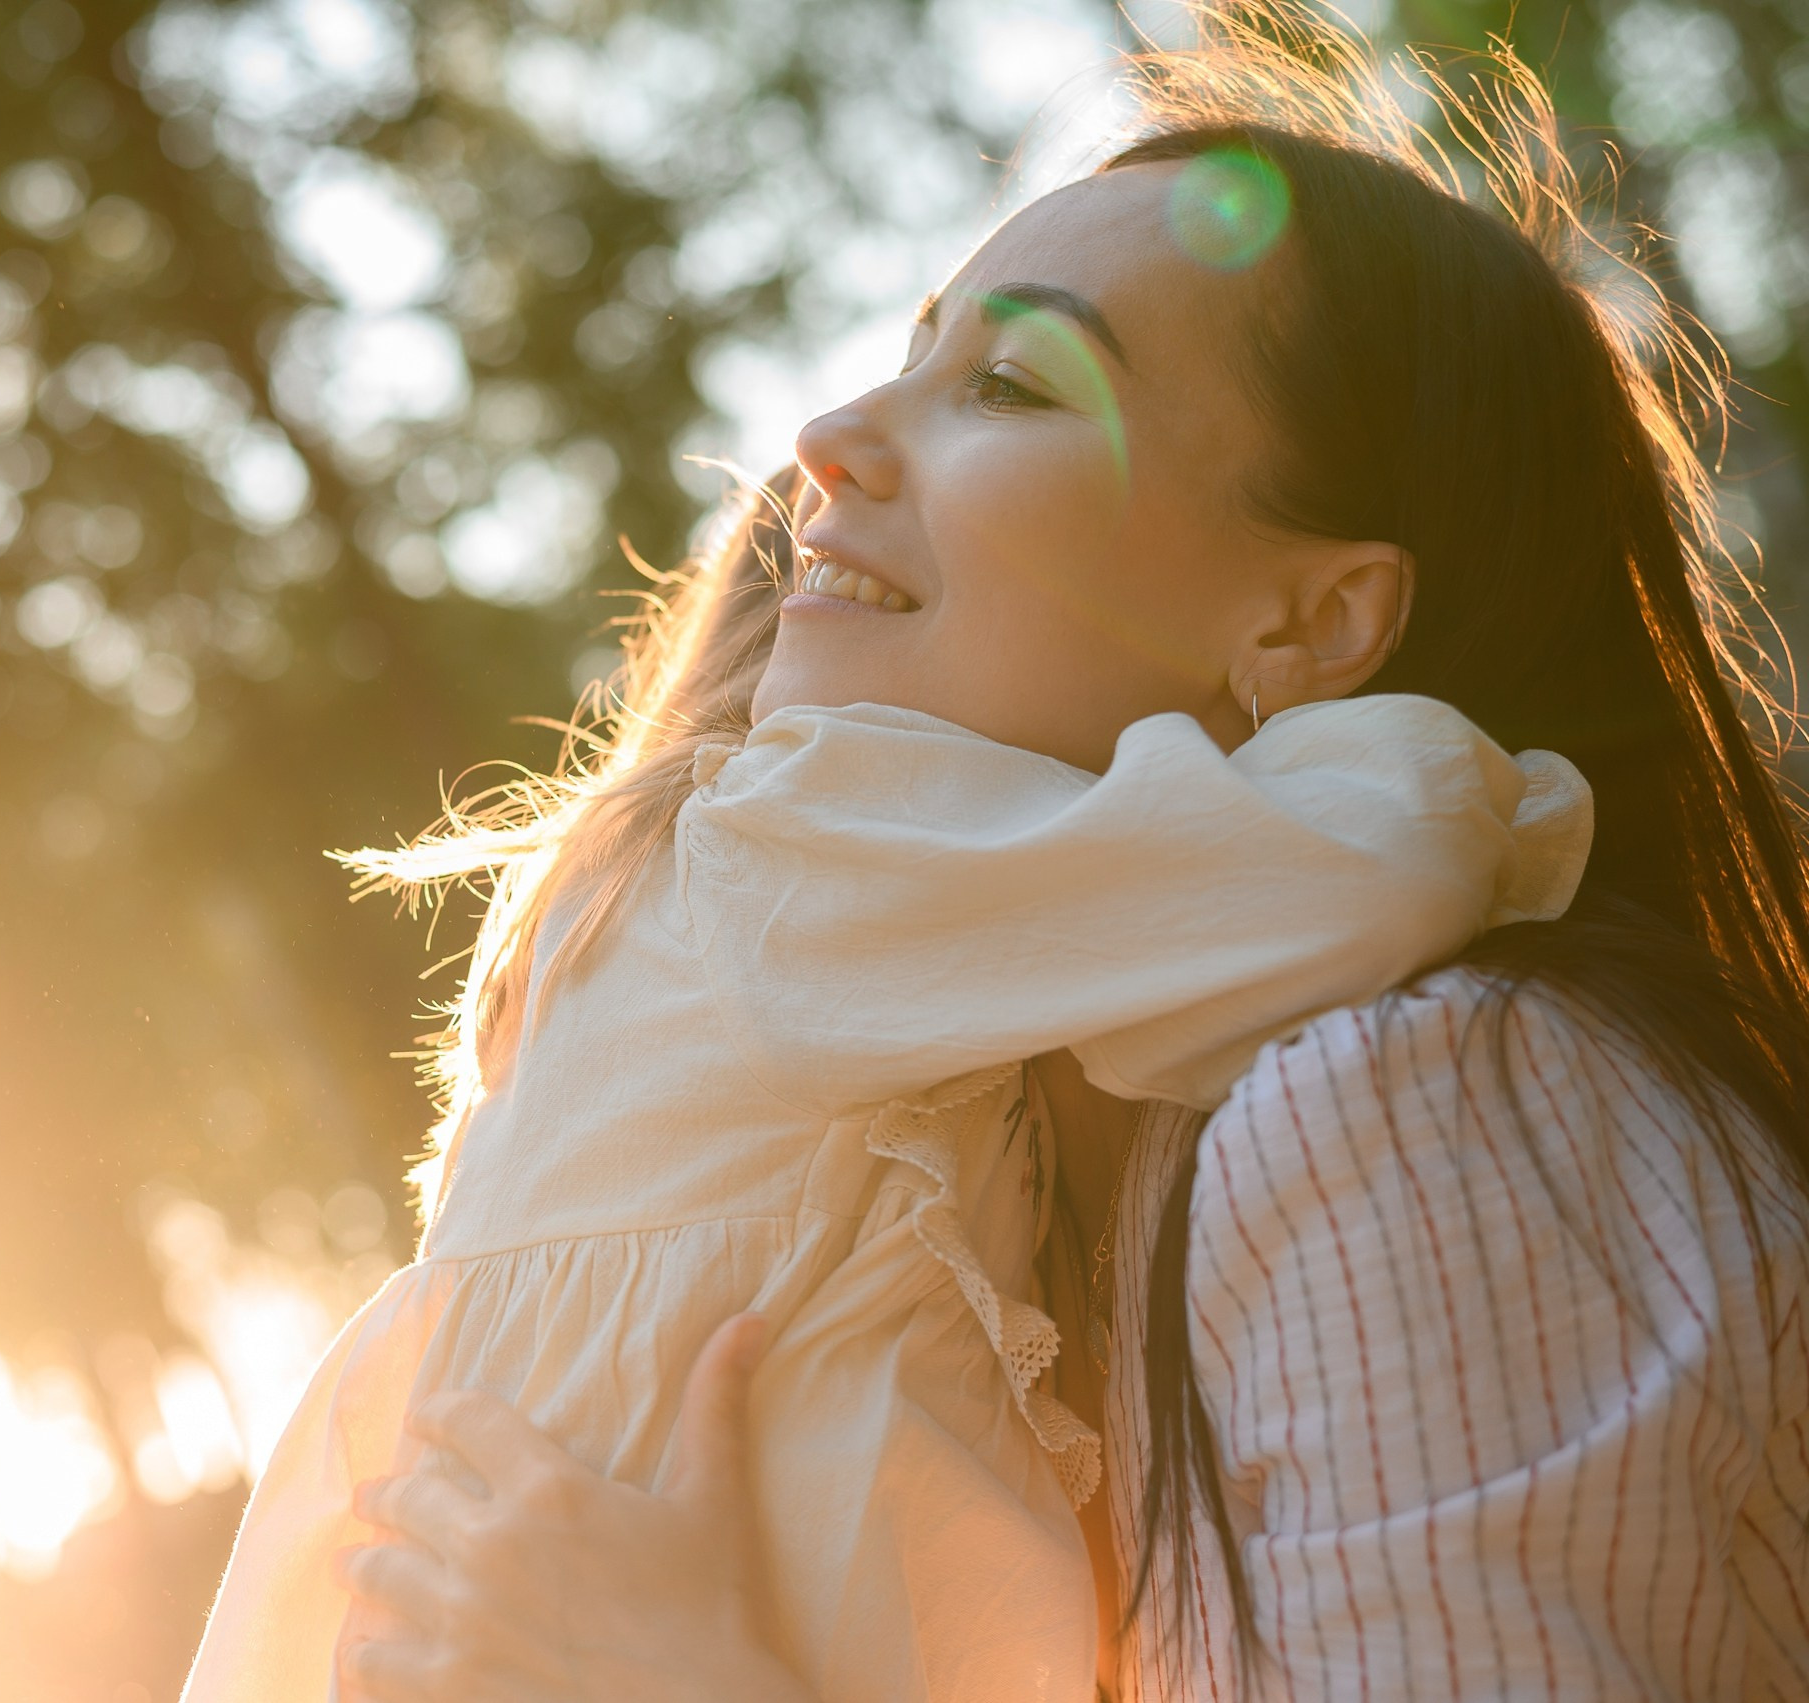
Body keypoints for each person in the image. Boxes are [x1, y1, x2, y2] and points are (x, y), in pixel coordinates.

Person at [316, 7, 1809, 1702]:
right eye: (912, 349)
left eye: (1008, 383)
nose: (828, 438)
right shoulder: (1026, 1152)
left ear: (1317, 617)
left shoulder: (1423, 1104)